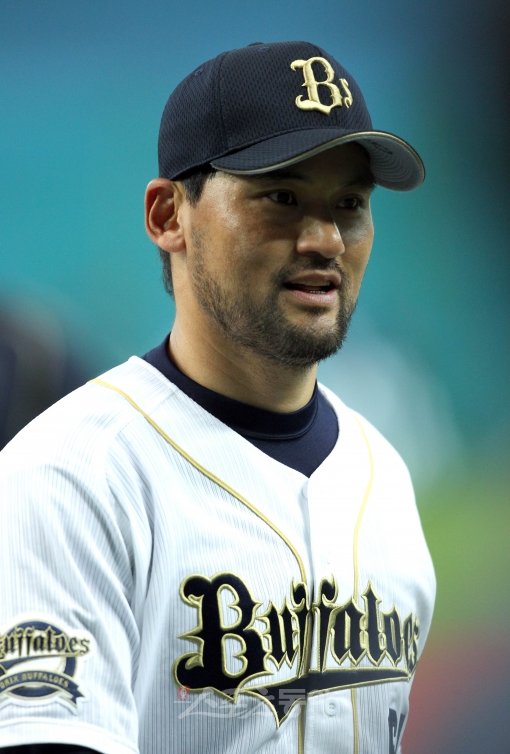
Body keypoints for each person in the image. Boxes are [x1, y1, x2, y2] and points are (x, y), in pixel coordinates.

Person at [0, 41, 435, 754]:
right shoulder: (69, 476)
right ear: (168, 215)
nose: (326, 239)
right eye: (281, 197)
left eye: (350, 204)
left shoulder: (383, 477)